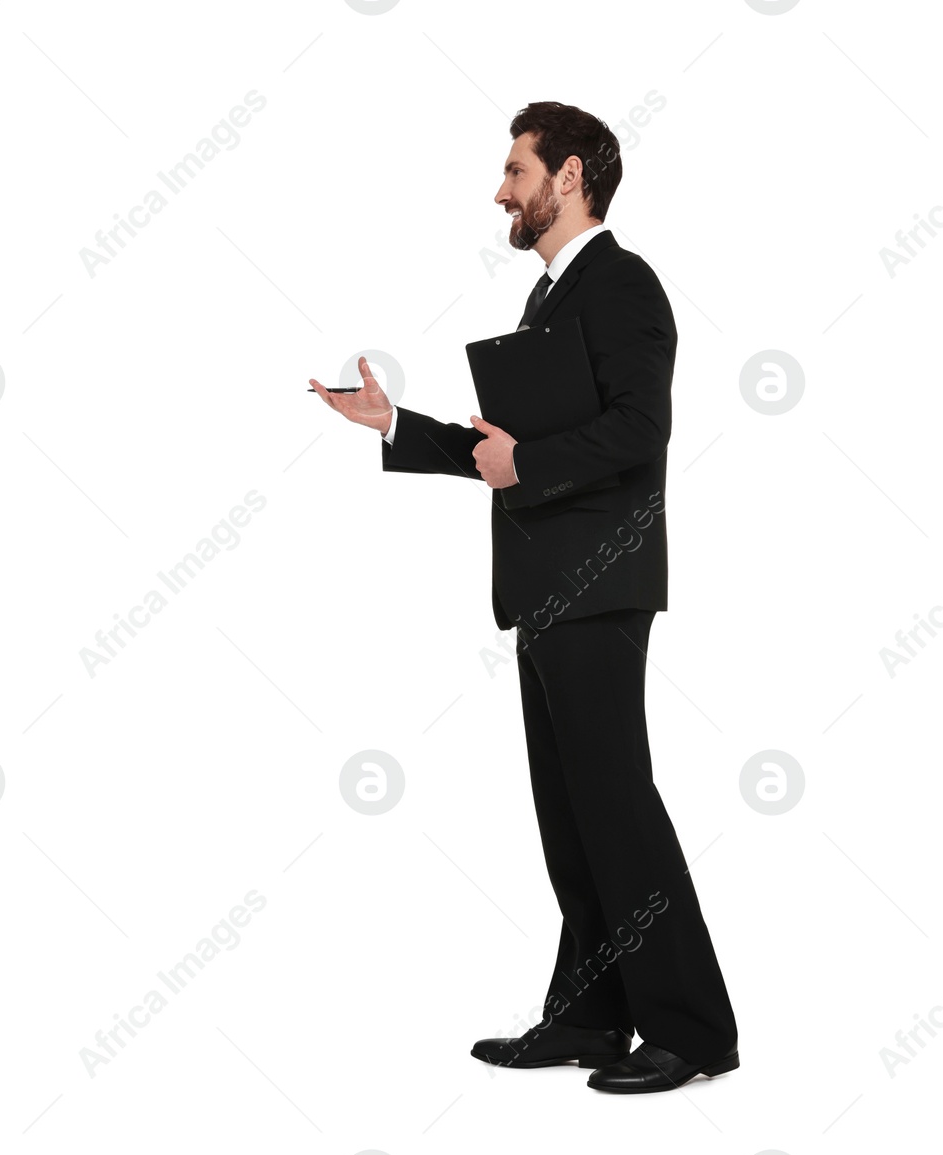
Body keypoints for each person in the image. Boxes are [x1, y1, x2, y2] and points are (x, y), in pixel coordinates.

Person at [309, 102, 739, 1094]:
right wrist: (392, 425)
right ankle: (590, 1017)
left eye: (515, 169)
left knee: (617, 807)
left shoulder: (621, 284)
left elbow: (639, 431)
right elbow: (506, 457)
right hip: (549, 587)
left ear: (571, 175)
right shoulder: (552, 299)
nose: (501, 190)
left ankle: (693, 1029)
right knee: (571, 811)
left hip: (598, 585)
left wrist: (528, 458)